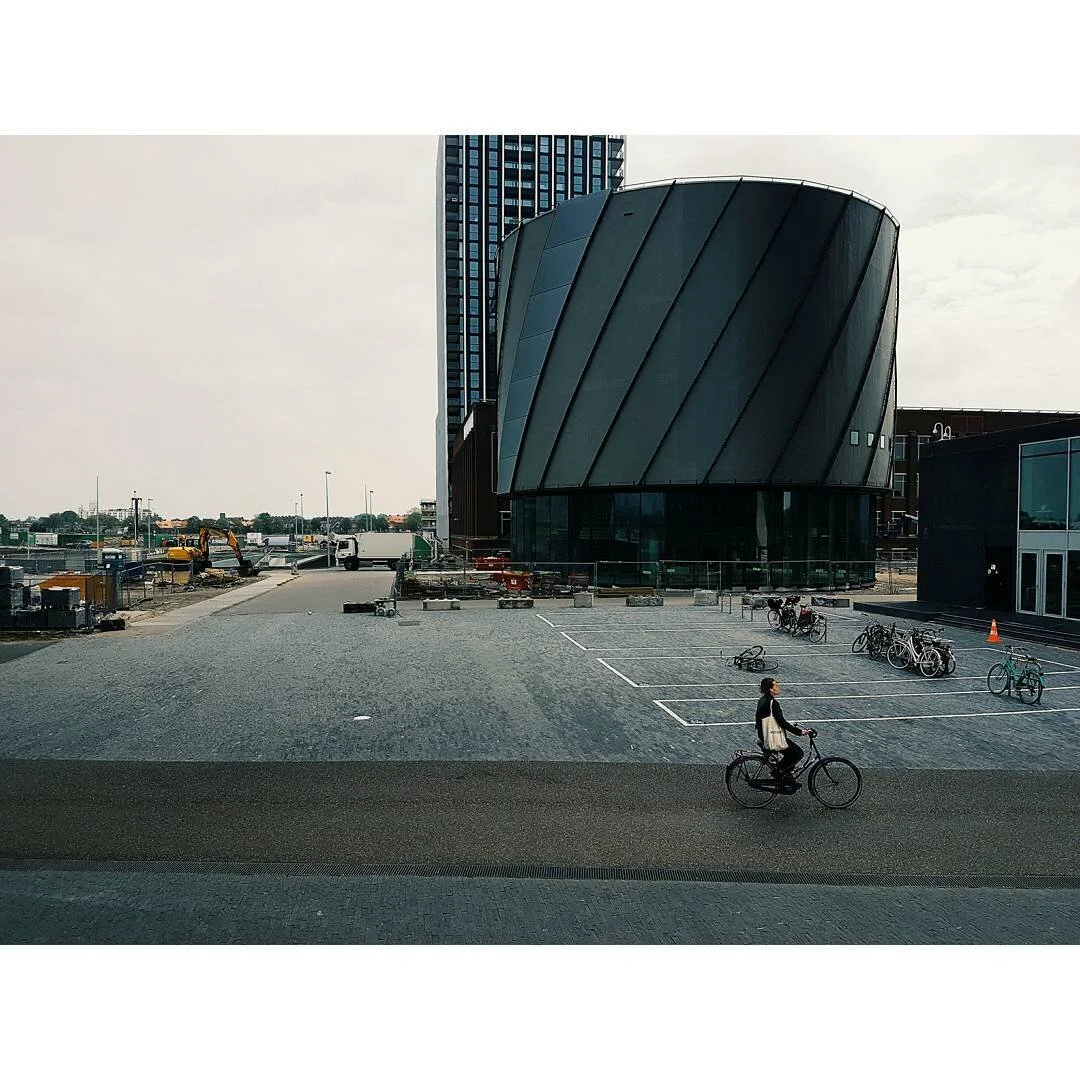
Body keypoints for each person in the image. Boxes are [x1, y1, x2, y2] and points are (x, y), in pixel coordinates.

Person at [755, 677, 812, 784]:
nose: (778, 687)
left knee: (791, 753)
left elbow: (769, 719)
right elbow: (782, 722)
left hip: (764, 734)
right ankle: (780, 772)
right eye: (776, 686)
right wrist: (800, 732)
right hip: (772, 736)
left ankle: (783, 773)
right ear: (771, 689)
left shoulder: (762, 700)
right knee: (798, 753)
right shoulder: (773, 703)